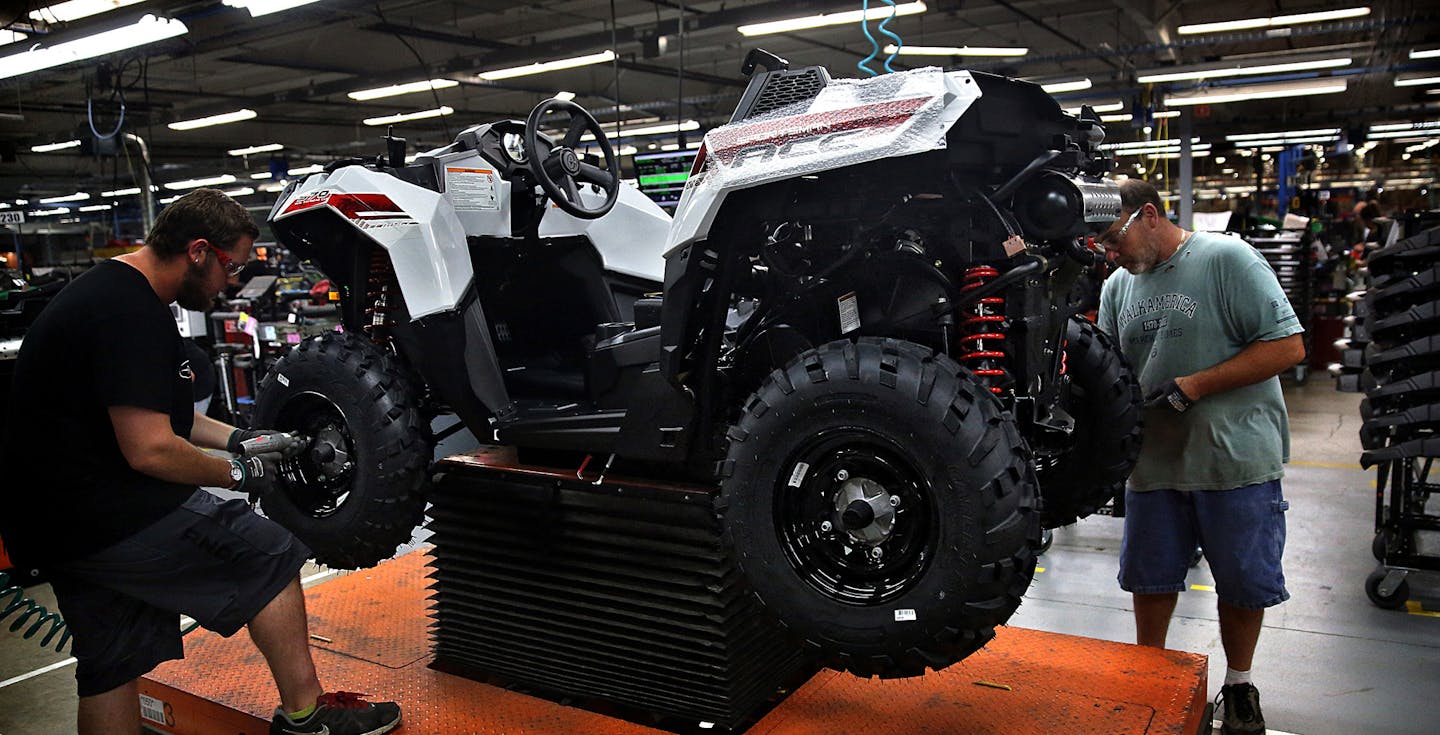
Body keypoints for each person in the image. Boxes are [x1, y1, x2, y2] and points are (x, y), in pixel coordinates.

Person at [0, 189, 401, 735]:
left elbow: (172, 419)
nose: (231, 283)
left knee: (111, 665)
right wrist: (239, 474)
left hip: (53, 521)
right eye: (230, 266)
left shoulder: (118, 292)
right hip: (102, 512)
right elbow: (151, 449)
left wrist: (245, 440)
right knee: (273, 556)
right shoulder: (129, 312)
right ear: (197, 251)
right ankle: (308, 719)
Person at [1095, 179, 1305, 735]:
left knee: (1242, 581)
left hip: (1233, 461)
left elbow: (1287, 346)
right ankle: (1151, 677)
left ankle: (1239, 685)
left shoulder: (1226, 258)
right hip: (1155, 465)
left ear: (1148, 214)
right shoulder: (1117, 286)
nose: (1109, 254)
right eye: (1101, 247)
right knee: (1150, 579)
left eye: (1113, 239)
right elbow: (1110, 374)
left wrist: (1196, 385)